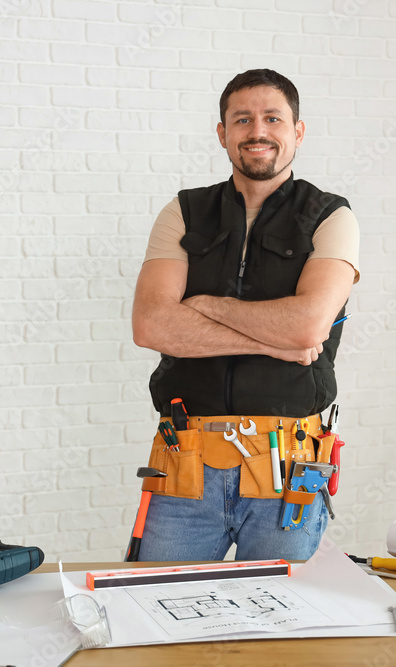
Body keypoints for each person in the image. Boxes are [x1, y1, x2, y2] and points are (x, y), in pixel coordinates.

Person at [131, 69, 360, 561]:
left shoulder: (331, 217)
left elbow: (308, 327)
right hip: (184, 463)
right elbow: (151, 325)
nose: (257, 131)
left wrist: (206, 308)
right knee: (159, 614)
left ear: (297, 131)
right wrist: (273, 339)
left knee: (280, 626)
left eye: (272, 118)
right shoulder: (184, 212)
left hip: (289, 470)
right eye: (242, 120)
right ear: (223, 133)